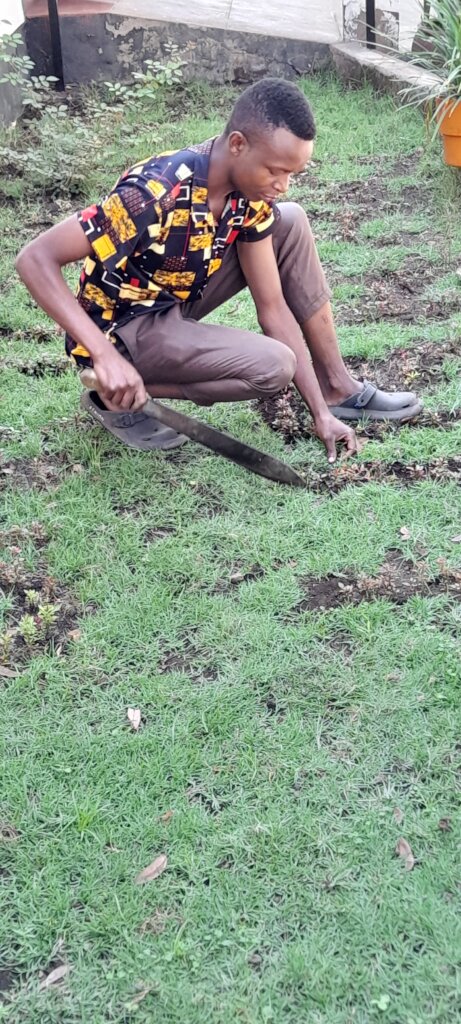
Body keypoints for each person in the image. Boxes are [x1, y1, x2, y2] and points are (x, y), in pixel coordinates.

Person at [16, 77, 422, 462]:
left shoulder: (247, 196)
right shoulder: (154, 192)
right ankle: (111, 391)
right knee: (275, 366)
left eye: (292, 174)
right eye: (276, 171)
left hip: (173, 304)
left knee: (290, 220)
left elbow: (273, 307)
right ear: (238, 144)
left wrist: (319, 413)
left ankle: (336, 389)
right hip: (123, 329)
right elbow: (35, 259)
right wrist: (104, 356)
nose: (283, 185)